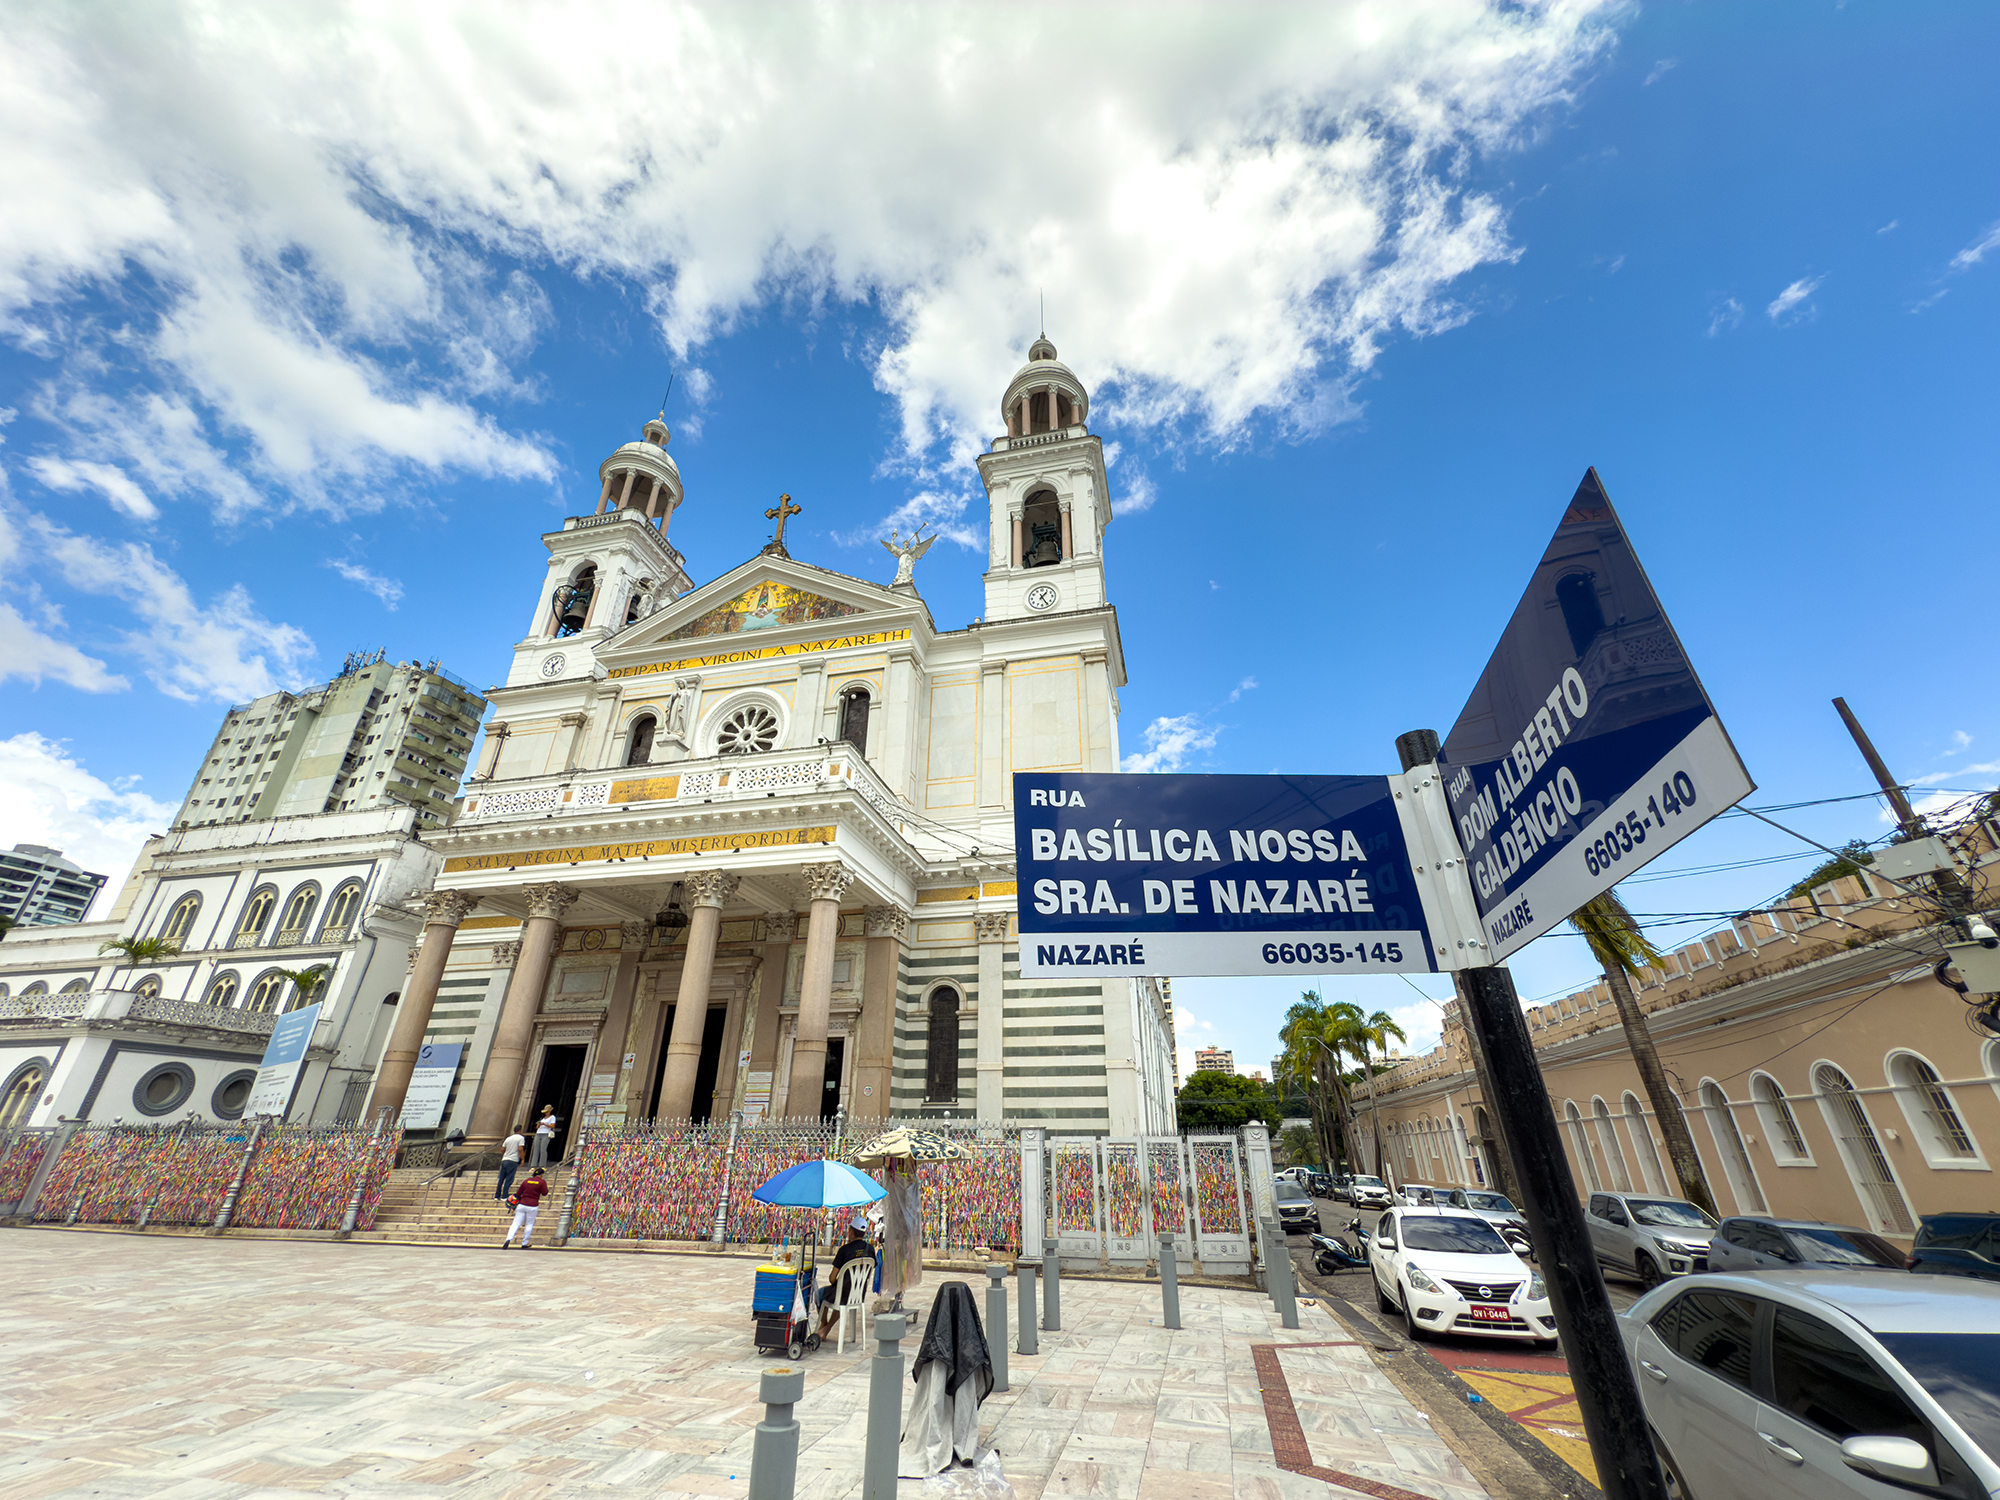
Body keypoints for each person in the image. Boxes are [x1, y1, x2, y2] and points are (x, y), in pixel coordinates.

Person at [818, 1215, 875, 1333]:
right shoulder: (870, 1249)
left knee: (819, 1294)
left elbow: (832, 1279)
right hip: (858, 1294)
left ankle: (824, 1325)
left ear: (851, 1232)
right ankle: (826, 1329)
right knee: (841, 1297)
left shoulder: (844, 1250)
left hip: (842, 1293)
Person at [502, 1168, 548, 1249]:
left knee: (516, 1223)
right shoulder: (541, 1182)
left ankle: (508, 1239)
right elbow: (545, 1193)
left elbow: (518, 1193)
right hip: (533, 1205)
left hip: (522, 1204)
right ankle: (525, 1243)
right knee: (529, 1224)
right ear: (541, 1174)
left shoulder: (526, 1181)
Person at [495, 1126, 525, 1201]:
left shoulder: (508, 1138)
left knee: (501, 1179)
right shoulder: (520, 1138)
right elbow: (520, 1149)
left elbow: (502, 1149)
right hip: (513, 1160)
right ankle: (504, 1195)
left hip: (505, 1159)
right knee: (509, 1179)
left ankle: (497, 1195)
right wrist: (522, 1159)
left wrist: (508, 1152)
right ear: (520, 1130)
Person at [529, 1104, 560, 1169]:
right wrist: (539, 1124)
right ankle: (533, 1165)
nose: (546, 1113)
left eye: (547, 1112)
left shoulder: (552, 1117)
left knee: (543, 1149)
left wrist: (545, 1124)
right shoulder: (542, 1118)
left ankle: (542, 1165)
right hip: (539, 1133)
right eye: (545, 1112)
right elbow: (537, 1127)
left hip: (546, 1134)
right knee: (536, 1149)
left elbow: (553, 1126)